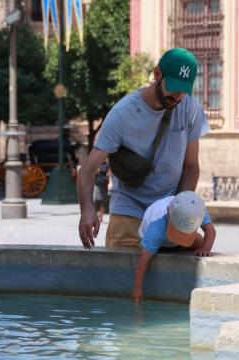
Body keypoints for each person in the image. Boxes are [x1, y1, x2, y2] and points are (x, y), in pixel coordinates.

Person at [77, 48, 210, 250]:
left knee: (178, 279)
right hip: (130, 214)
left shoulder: (189, 108)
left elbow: (191, 167)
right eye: (174, 88)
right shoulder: (123, 114)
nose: (178, 96)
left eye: (184, 90)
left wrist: (179, 211)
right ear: (157, 75)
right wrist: (87, 210)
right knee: (123, 279)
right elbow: (87, 169)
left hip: (167, 215)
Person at [131, 191, 216, 303]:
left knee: (200, 244)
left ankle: (183, 242)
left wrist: (205, 249)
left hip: (172, 235)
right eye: (178, 232)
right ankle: (178, 242)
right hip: (158, 241)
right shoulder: (156, 227)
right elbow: (143, 258)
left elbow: (210, 230)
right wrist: (137, 288)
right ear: (168, 212)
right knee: (149, 250)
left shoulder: (197, 211)